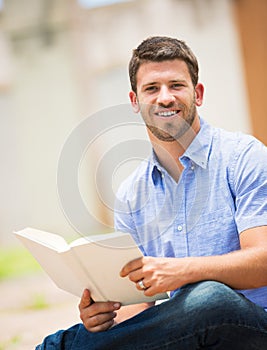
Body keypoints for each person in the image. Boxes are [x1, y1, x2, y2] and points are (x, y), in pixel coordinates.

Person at [36, 36, 267, 349]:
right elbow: (137, 304)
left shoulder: (243, 157)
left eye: (176, 85)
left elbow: (262, 264)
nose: (165, 98)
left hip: (252, 326)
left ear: (197, 94)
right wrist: (106, 319)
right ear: (135, 101)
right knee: (106, 331)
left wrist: (180, 272)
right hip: (192, 335)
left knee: (208, 297)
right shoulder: (133, 194)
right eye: (152, 88)